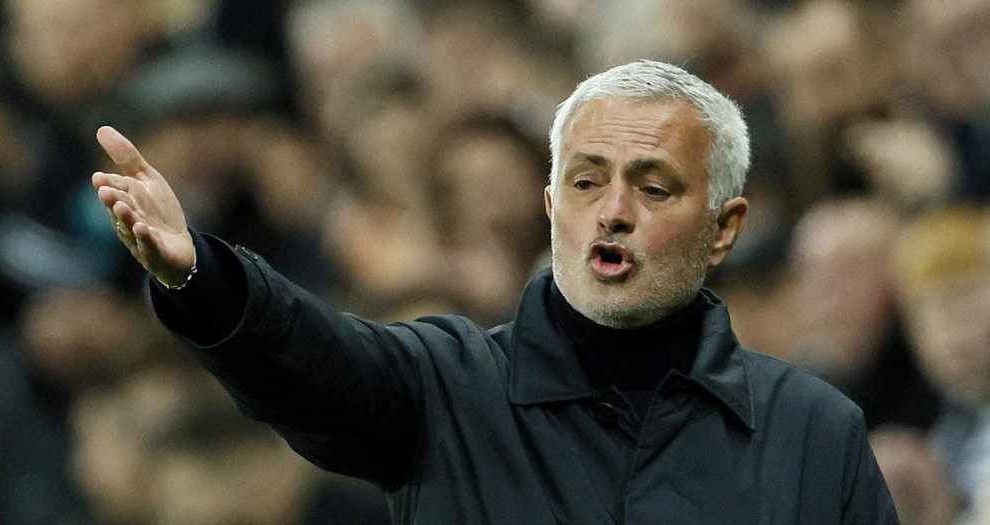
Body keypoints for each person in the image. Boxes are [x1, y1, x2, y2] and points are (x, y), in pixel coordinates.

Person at [90, 60, 898, 524]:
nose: (612, 211)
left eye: (654, 187)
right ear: (550, 206)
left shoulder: (815, 431)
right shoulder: (443, 386)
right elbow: (310, 355)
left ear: (724, 227)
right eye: (586, 182)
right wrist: (200, 273)